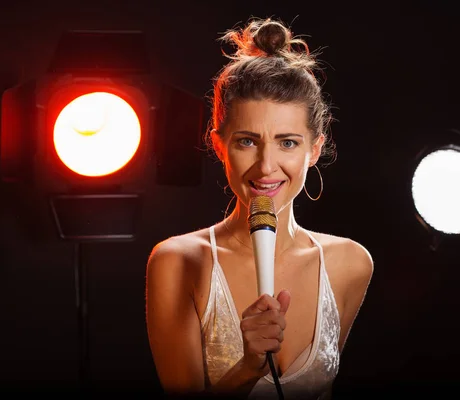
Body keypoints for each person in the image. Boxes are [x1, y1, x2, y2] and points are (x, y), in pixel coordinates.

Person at [145, 17, 374, 399]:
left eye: (288, 143)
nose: (266, 167)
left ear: (314, 149)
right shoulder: (177, 262)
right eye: (247, 141)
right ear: (219, 145)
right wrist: (247, 367)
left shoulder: (351, 263)